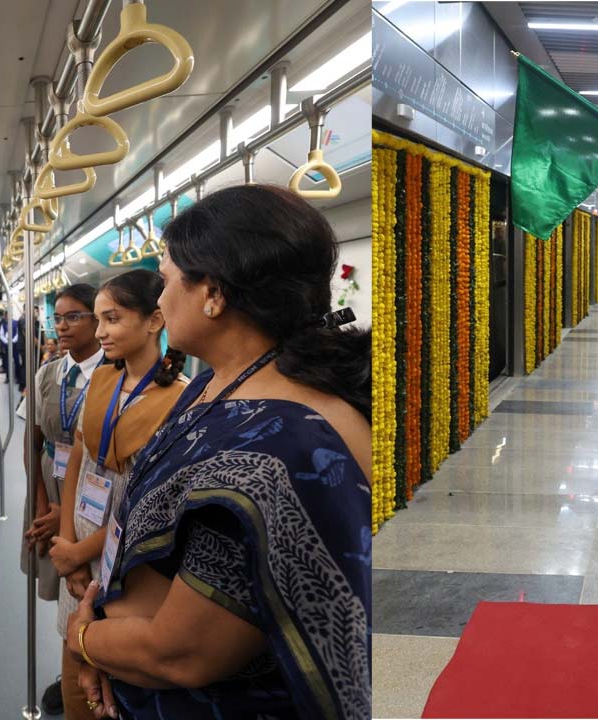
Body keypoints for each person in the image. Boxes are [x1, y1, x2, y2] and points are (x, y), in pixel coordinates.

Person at [66, 186, 371, 719]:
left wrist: (86, 639)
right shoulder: (216, 388)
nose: (159, 301)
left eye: (165, 281)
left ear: (213, 292)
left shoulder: (280, 445)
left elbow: (182, 652)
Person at [49, 270, 189, 720]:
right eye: (99, 319)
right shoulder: (102, 382)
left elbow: (146, 507)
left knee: (113, 689)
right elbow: (77, 461)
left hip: (126, 561)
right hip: (79, 547)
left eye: (113, 318)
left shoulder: (179, 403)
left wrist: (79, 554)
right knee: (74, 678)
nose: (102, 331)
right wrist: (68, 541)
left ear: (154, 321)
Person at [19, 283, 106, 719]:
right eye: (58, 317)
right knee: (59, 587)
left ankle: (88, 668)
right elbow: (32, 442)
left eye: (74, 316)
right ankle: (67, 668)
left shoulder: (113, 373)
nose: (63, 326)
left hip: (92, 502)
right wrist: (41, 507)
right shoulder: (47, 373)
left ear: (97, 320)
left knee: (88, 585)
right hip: (50, 491)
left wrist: (64, 516)